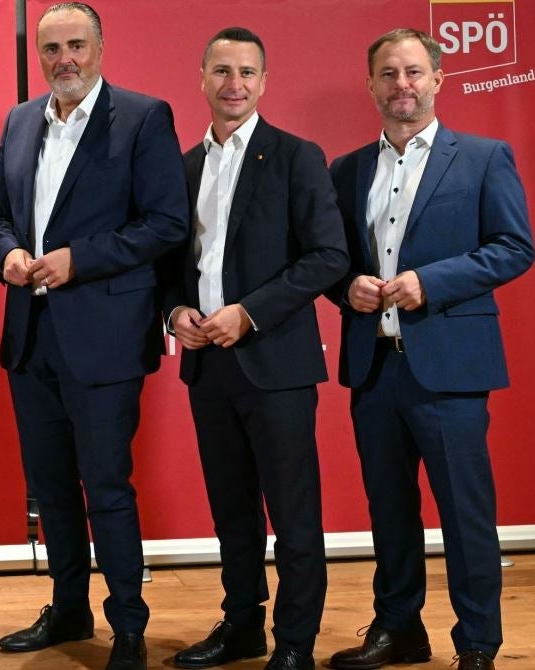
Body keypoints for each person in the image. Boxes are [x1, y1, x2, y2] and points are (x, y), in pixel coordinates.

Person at [0, 4, 187, 669]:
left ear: (100, 47)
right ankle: (68, 608)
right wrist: (9, 253)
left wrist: (81, 259)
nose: (63, 59)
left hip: (104, 337)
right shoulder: (19, 120)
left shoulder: (144, 117)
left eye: (76, 45)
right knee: (50, 486)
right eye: (51, 49)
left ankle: (128, 625)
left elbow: (167, 223)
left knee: (107, 486)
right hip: (31, 335)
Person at [325, 28, 535, 670]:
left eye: (414, 72)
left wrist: (430, 282)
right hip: (373, 367)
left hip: (450, 369)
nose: (402, 85)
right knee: (389, 512)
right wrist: (345, 287)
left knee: (466, 514)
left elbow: (514, 247)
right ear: (370, 85)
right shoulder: (346, 170)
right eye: (388, 73)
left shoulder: (483, 157)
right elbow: (329, 260)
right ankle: (399, 631)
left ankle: (477, 643)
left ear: (438, 79)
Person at [159, 27, 349, 670]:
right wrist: (175, 313)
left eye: (245, 72)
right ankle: (242, 626)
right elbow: (170, 266)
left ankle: (295, 643)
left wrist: (249, 314)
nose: (233, 83)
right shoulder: (183, 166)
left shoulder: (297, 156)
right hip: (207, 366)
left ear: (264, 82)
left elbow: (328, 256)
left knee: (294, 515)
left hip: (278, 366)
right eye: (221, 71)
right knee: (232, 512)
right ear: (202, 79)